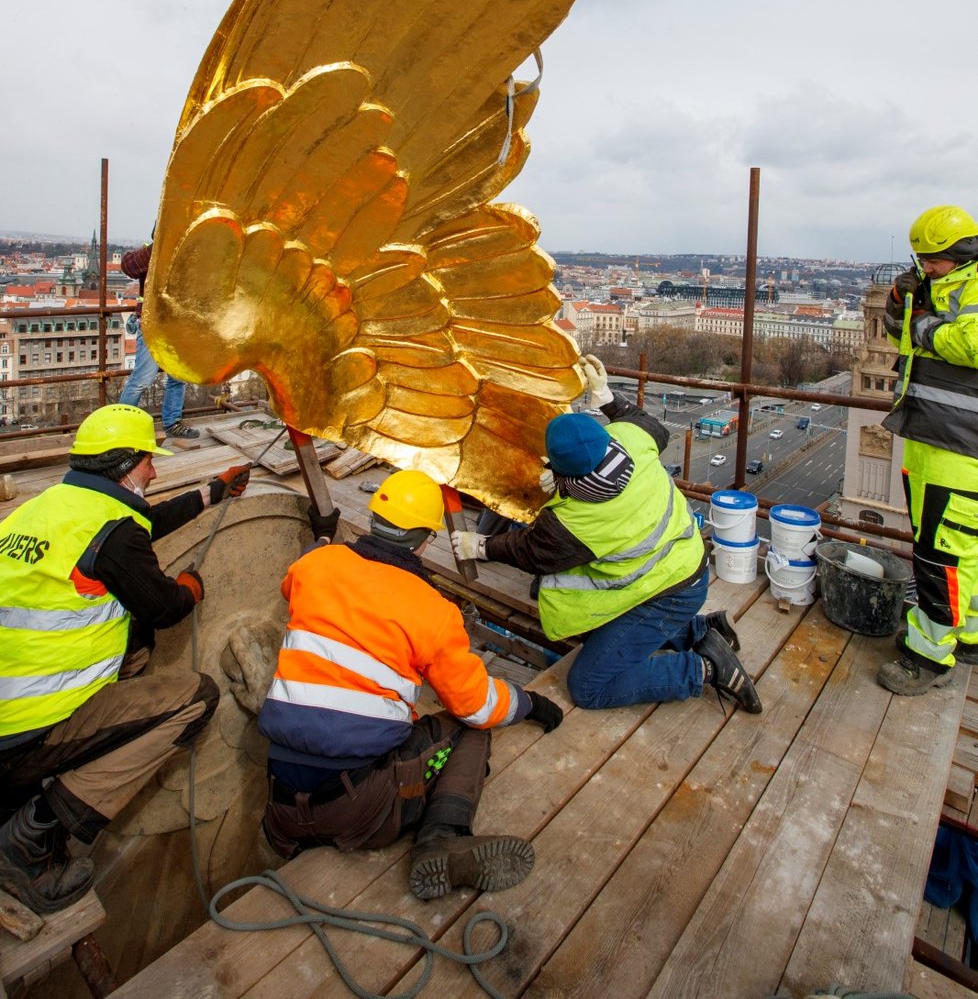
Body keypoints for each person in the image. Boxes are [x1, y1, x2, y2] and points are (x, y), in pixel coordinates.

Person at [258, 469, 564, 901]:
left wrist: (325, 544)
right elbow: (475, 705)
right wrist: (527, 703)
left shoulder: (315, 566)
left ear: (373, 520)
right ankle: (442, 838)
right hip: (361, 809)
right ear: (425, 540)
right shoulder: (432, 610)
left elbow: (295, 582)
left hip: (281, 806)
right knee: (469, 732)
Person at [0, 403, 250, 913]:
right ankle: (33, 836)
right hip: (26, 729)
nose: (154, 471)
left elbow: (140, 526)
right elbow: (164, 607)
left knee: (133, 641)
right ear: (123, 465)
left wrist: (214, 491)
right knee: (196, 698)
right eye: (147, 462)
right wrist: (190, 590)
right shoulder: (113, 532)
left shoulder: (42, 508)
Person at [450, 356, 762, 716]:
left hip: (667, 592)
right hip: (685, 562)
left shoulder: (576, 521)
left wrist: (482, 546)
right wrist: (605, 396)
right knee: (613, 628)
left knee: (588, 685)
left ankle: (704, 669)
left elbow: (531, 551)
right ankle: (703, 631)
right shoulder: (629, 439)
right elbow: (648, 426)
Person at [878, 204, 978, 696]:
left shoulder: (973, 288)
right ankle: (971, 633)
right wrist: (900, 305)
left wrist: (920, 323)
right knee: (963, 551)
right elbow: (901, 337)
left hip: (961, 447)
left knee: (939, 556)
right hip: (933, 437)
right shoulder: (941, 285)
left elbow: (968, 343)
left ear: (960, 253)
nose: (924, 267)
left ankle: (928, 654)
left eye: (931, 260)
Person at [119, 241, 199, 445]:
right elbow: (128, 266)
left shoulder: (187, 252)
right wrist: (156, 248)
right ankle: (122, 428)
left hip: (176, 324)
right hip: (151, 323)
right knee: (142, 379)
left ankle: (172, 423)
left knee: (177, 377)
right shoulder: (154, 250)